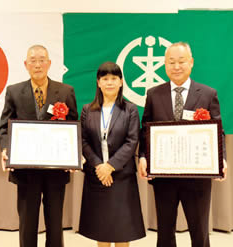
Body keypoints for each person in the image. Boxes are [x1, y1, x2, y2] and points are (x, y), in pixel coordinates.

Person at [138, 42, 227, 247]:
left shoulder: (207, 94)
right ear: (165, 64)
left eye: (181, 61)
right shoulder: (153, 94)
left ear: (191, 62)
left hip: (197, 176)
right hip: (164, 177)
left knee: (199, 233)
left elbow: (217, 131)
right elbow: (145, 131)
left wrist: (221, 160)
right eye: (171, 62)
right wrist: (143, 157)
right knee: (165, 232)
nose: (176, 66)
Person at [0, 45, 78, 247]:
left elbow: (74, 126)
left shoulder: (66, 91)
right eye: (33, 60)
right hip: (26, 170)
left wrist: (73, 155)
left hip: (55, 170)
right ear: (26, 64)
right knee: (27, 222)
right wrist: (6, 149)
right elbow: (4, 127)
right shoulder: (14, 91)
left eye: (42, 59)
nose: (37, 64)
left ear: (49, 63)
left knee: (55, 222)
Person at [78, 62, 145, 247]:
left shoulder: (130, 109)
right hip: (97, 175)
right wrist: (99, 166)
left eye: (114, 78)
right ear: (98, 83)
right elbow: (82, 141)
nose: (109, 83)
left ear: (121, 82)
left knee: (123, 228)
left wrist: (111, 166)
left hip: (122, 176)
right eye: (105, 79)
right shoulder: (87, 110)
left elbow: (132, 141)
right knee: (102, 227)